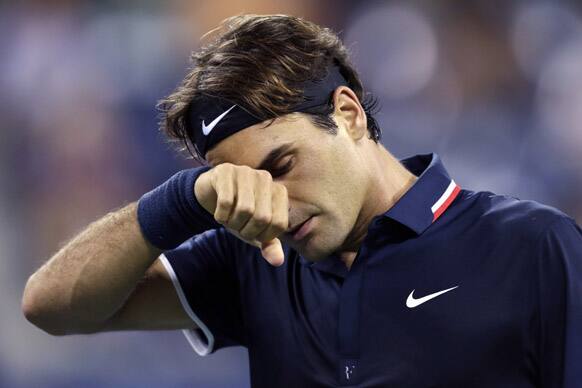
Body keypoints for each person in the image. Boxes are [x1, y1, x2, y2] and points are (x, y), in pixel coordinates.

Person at [22, 14, 582, 388]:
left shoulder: (531, 245)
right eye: (243, 182)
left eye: (281, 166)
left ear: (348, 113)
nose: (275, 205)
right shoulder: (254, 254)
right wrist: (182, 202)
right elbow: (51, 307)